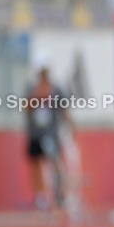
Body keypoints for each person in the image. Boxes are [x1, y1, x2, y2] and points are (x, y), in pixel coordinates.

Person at [26, 55, 75, 211]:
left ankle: (60, 194)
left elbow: (64, 109)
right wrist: (38, 96)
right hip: (35, 133)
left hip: (51, 132)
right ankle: (40, 196)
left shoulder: (56, 89)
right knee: (36, 164)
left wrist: (71, 126)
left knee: (55, 162)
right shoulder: (32, 87)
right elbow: (26, 108)